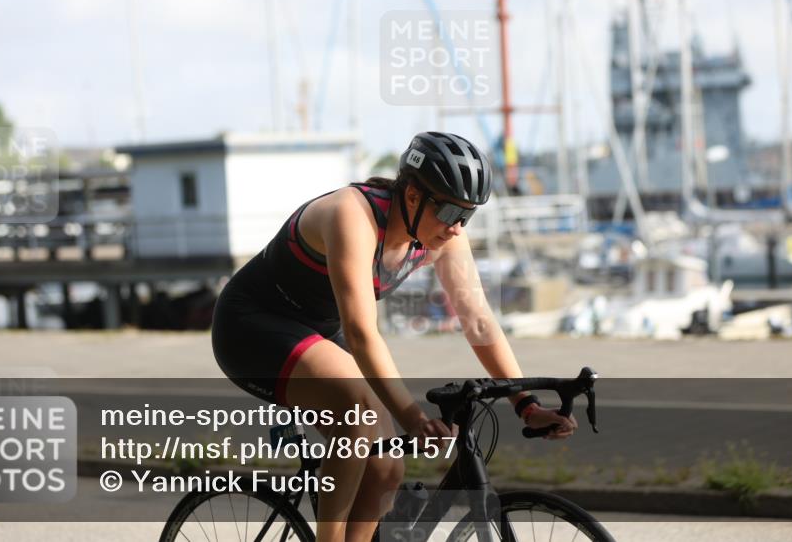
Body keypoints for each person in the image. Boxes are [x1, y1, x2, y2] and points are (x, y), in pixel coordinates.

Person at [212, 131, 576, 542]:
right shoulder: (352, 215)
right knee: (358, 407)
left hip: (319, 334)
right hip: (253, 324)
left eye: (468, 215)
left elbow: (478, 322)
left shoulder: (441, 236)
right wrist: (412, 417)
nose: (457, 227)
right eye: (452, 210)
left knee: (386, 467)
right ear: (415, 196)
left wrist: (525, 404)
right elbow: (363, 333)